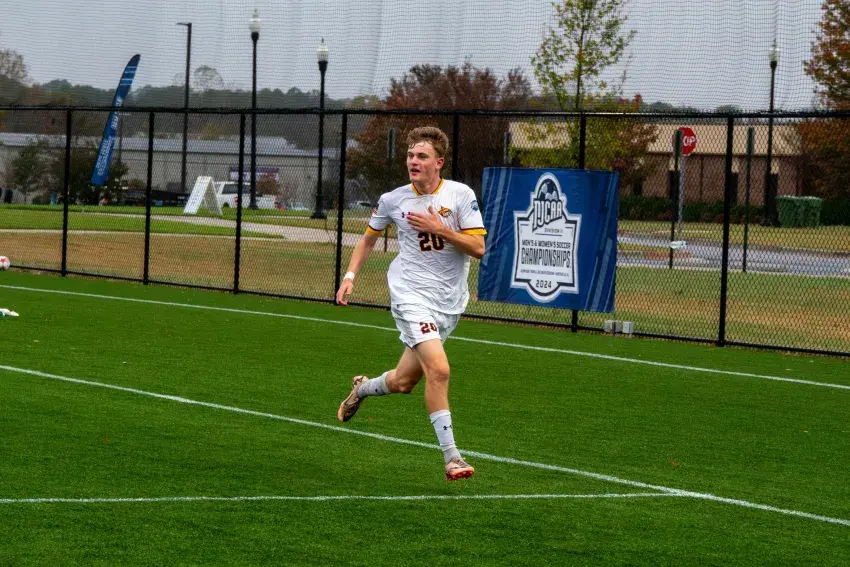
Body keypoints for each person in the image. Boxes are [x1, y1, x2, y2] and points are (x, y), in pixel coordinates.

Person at [335, 126, 486, 481]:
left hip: (448, 302)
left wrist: (440, 228)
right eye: (410, 155)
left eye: (422, 156)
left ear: (439, 162)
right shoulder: (394, 200)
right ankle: (452, 458)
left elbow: (478, 248)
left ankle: (362, 388)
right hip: (410, 295)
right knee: (440, 370)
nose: (413, 161)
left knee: (404, 382)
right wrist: (350, 276)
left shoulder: (460, 195)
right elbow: (368, 240)